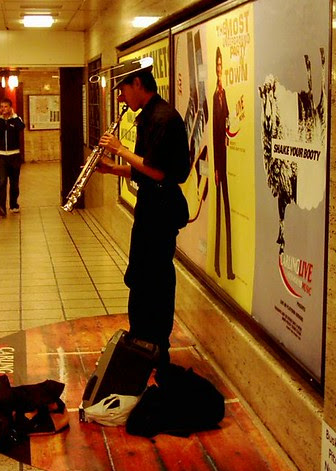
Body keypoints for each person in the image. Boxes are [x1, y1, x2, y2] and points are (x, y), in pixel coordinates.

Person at [97, 59, 190, 377]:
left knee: (157, 280)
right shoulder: (147, 116)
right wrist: (113, 168)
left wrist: (120, 150)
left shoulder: (164, 118)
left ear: (137, 83)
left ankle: (157, 347)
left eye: (122, 90)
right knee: (140, 277)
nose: (121, 99)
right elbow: (144, 170)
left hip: (162, 211)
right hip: (151, 205)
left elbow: (159, 171)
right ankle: (140, 340)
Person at [212, 47, 235, 280]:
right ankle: (218, 264)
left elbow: (227, 122)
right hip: (219, 163)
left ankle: (228, 267)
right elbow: (215, 133)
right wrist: (216, 169)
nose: (219, 69)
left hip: (227, 161)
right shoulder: (214, 95)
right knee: (219, 211)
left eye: (221, 65)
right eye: (217, 65)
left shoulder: (224, 93)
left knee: (226, 210)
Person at [0, 97, 25, 216]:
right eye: (1, 106)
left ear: (10, 107)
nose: (3, 109)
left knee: (14, 182)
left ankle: (13, 204)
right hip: (1, 156)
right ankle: (1, 206)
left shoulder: (16, 119)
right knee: (1, 181)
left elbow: (21, 127)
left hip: (14, 156)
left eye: (6, 106)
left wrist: (14, 116)